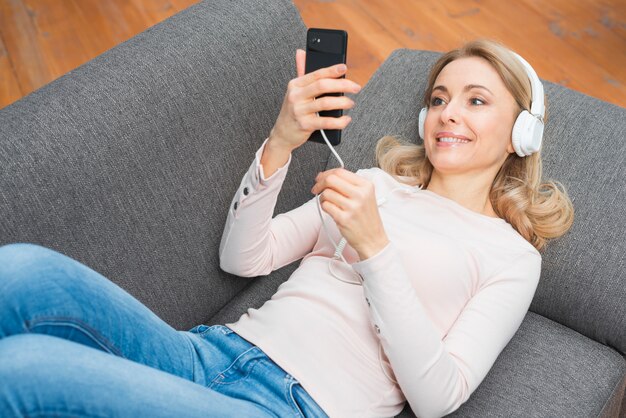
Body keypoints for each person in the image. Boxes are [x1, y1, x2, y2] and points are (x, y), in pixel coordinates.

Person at [0, 39, 573, 418]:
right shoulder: (372, 182)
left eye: (477, 101)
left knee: (25, 372)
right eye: (439, 99)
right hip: (210, 355)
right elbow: (246, 258)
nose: (449, 114)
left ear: (523, 132)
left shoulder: (511, 257)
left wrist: (376, 250)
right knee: (21, 269)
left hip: (295, 409)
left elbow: (438, 396)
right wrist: (280, 143)